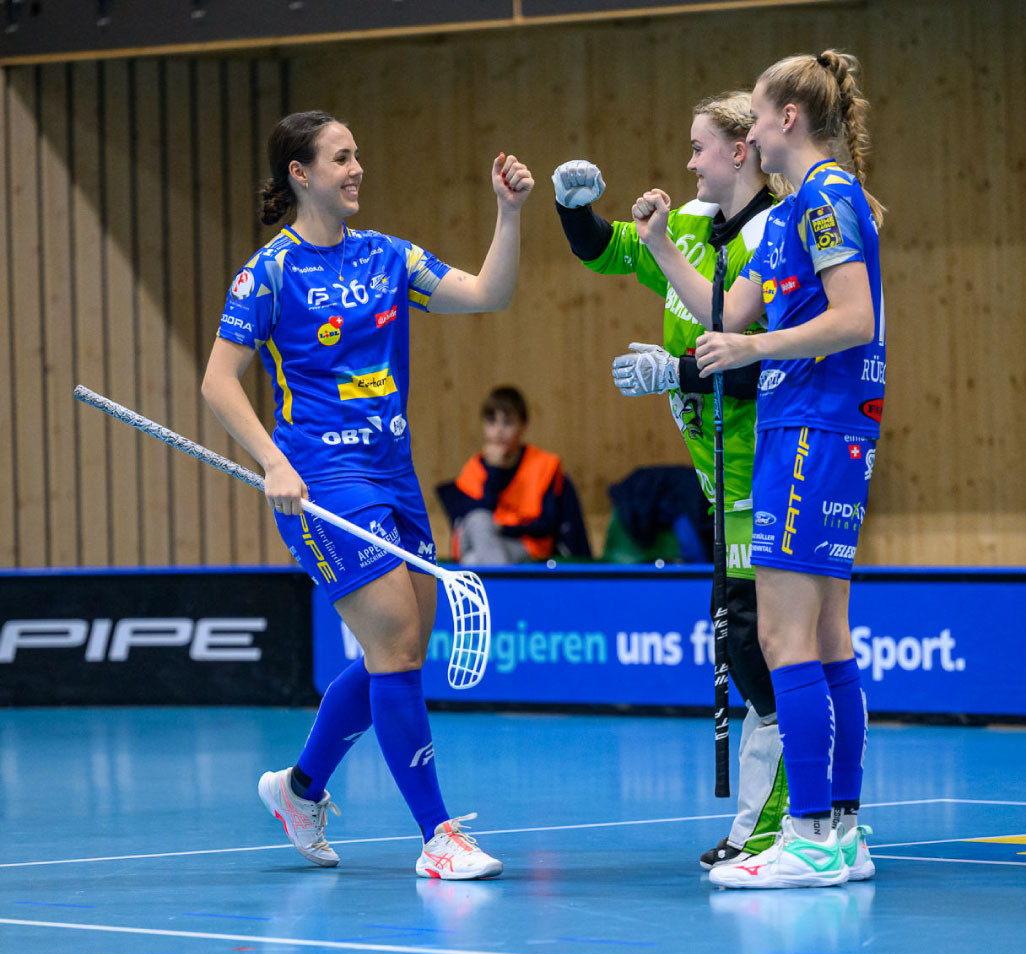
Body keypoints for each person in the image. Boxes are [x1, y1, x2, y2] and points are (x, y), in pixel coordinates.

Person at [201, 110, 534, 880]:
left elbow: (487, 292)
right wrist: (273, 461)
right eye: (341, 158)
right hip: (320, 481)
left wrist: (509, 214)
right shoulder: (269, 273)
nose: (356, 170)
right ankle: (437, 836)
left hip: (394, 475)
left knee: (403, 649)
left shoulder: (389, 257)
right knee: (393, 644)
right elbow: (219, 380)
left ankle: (300, 789)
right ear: (300, 174)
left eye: (358, 156)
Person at [632, 50, 885, 888]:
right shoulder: (784, 221)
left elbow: (854, 318)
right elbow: (721, 311)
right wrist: (662, 247)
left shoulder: (828, 201)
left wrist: (754, 349)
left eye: (758, 108)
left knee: (783, 639)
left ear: (783, 121)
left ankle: (808, 831)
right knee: (825, 639)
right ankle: (841, 831)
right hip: (805, 428)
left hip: (811, 428)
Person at [552, 92, 789, 871]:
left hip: (772, 475)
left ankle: (782, 823)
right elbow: (602, 249)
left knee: (756, 648)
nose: (688, 162)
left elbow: (766, 363)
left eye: (699, 148)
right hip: (718, 483)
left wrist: (674, 371)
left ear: (742, 151)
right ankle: (775, 822)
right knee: (738, 640)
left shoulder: (774, 235)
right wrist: (571, 205)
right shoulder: (686, 223)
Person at [436, 385, 591, 564]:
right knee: (479, 520)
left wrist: (502, 528)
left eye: (508, 422)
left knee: (473, 561)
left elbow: (546, 525)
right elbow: (471, 521)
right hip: (478, 538)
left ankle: (496, 588)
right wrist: (493, 469)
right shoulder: (473, 468)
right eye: (492, 421)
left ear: (523, 425)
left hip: (523, 544)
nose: (499, 430)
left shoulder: (543, 465)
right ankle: (501, 589)